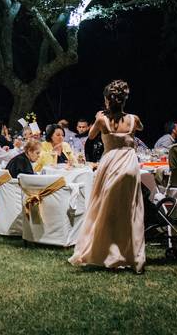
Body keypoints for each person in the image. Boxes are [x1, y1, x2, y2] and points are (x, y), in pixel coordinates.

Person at [69, 80, 145, 273]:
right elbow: (141, 128)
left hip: (111, 163)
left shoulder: (102, 119)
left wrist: (99, 117)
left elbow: (91, 136)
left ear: (107, 100)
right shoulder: (133, 119)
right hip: (129, 164)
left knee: (104, 209)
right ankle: (130, 254)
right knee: (130, 211)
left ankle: (105, 252)